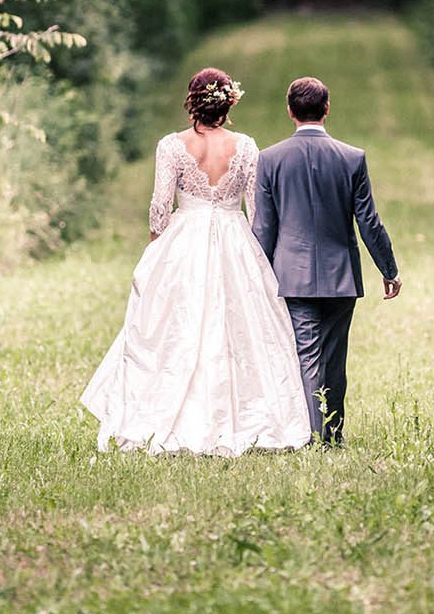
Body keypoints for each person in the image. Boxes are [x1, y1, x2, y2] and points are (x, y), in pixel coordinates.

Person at [80, 68, 312, 456]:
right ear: (228, 102)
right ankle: (250, 418)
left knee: (176, 324)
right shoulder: (246, 146)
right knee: (240, 326)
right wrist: (255, 257)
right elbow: (257, 212)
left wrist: (160, 250)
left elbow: (159, 210)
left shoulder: (171, 146)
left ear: (193, 102)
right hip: (233, 234)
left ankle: (166, 413)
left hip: (184, 238)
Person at [251, 76, 401, 445]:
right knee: (334, 358)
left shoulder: (269, 160)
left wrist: (255, 275)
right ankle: (330, 435)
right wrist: (389, 269)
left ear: (289, 111)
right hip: (341, 276)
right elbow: (369, 221)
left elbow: (264, 227)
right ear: (327, 108)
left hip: (290, 275)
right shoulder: (352, 157)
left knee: (306, 354)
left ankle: (311, 434)